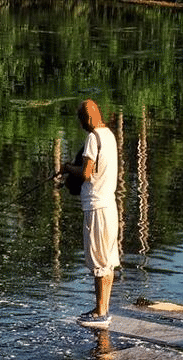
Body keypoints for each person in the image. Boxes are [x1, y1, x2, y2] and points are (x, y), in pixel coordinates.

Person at [60, 100, 120, 328]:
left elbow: (85, 173)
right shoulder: (110, 136)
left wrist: (67, 168)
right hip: (109, 206)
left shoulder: (93, 138)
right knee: (108, 261)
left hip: (96, 207)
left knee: (99, 261)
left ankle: (100, 312)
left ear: (88, 118)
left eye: (81, 120)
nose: (82, 125)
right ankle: (103, 309)